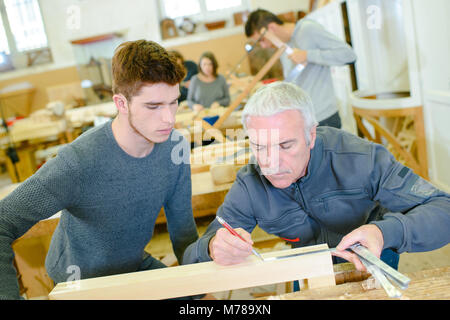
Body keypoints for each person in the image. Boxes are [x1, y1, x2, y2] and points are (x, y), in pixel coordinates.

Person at [0, 40, 200, 299]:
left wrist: (199, 289)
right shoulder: (78, 162)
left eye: (174, 102)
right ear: (121, 103)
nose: (169, 118)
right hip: (79, 282)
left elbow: (183, 233)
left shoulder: (175, 149)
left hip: (133, 266)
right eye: (153, 106)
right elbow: (3, 222)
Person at [183, 81, 450, 274]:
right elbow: (189, 260)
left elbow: (444, 210)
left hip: (372, 257)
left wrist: (384, 232)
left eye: (286, 145)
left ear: (311, 135)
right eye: (259, 146)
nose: (270, 162)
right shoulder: (250, 184)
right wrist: (211, 248)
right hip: (306, 263)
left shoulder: (360, 158)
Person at [244, 9, 357, 129]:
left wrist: (307, 55)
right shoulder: (284, 45)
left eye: (262, 40)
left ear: (271, 28)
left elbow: (348, 55)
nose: (264, 46)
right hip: (304, 121)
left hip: (324, 119)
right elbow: (296, 81)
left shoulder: (307, 29)